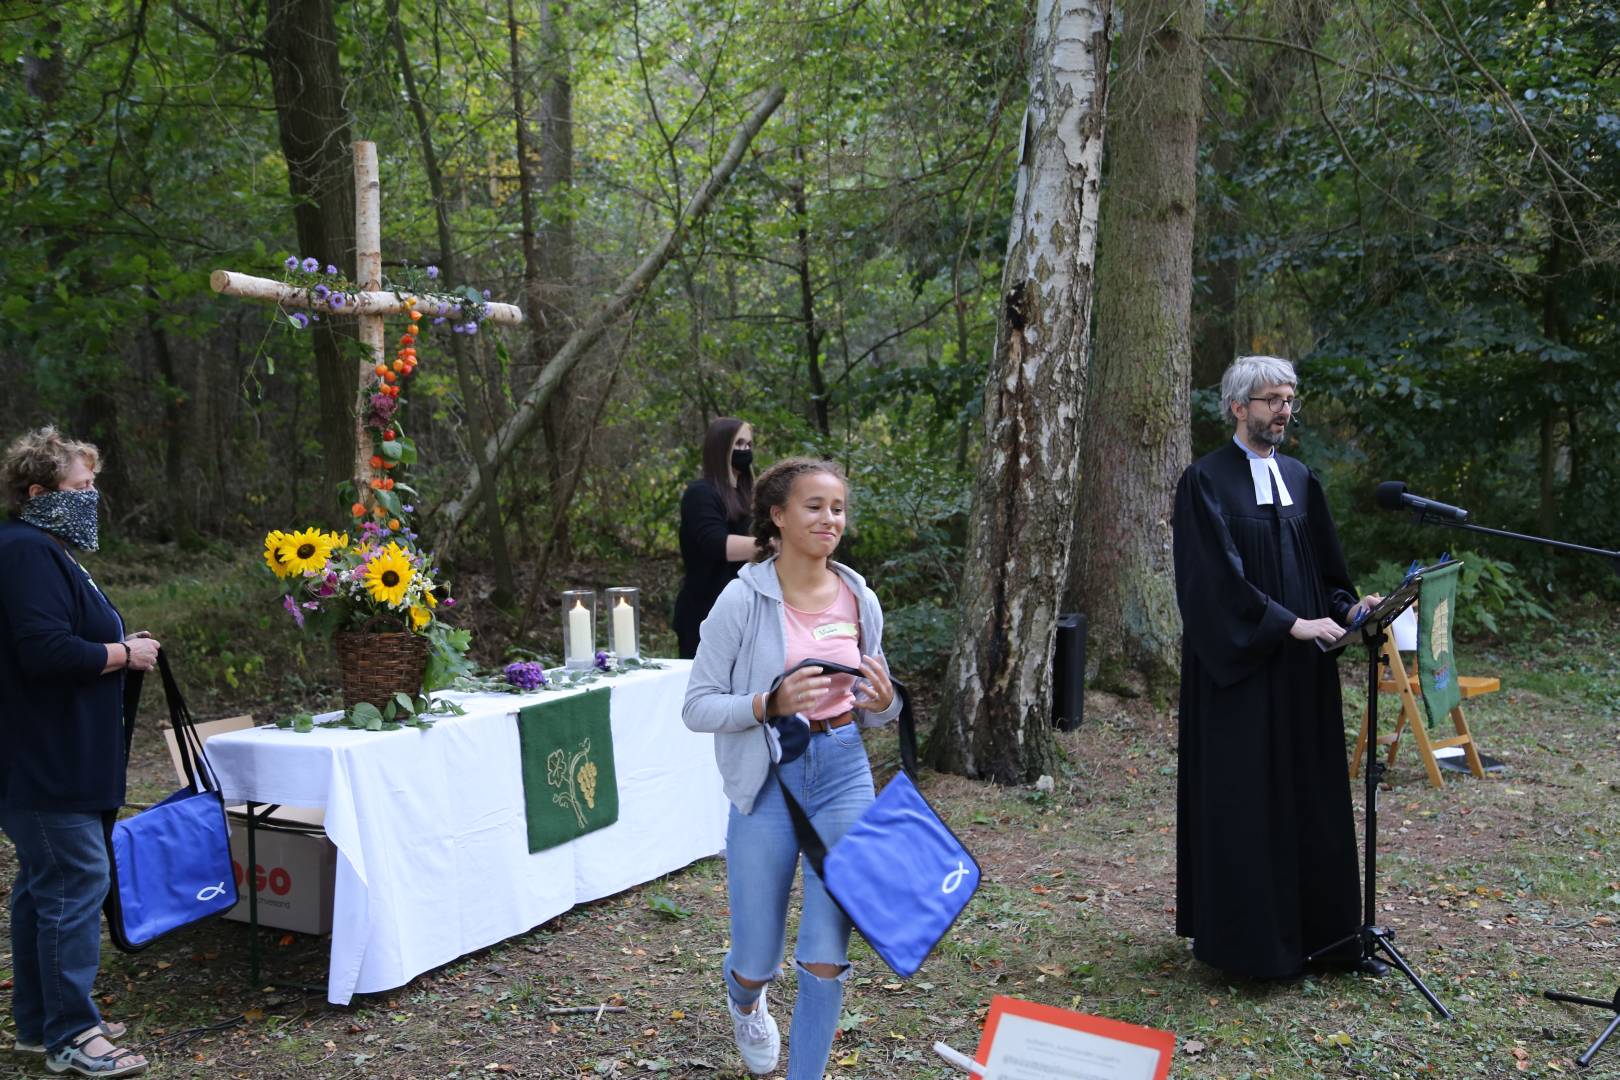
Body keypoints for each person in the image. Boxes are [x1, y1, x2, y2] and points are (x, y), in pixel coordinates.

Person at [683, 458, 902, 1079]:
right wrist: (767, 703)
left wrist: (886, 703)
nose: (829, 519)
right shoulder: (742, 600)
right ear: (777, 517)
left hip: (843, 773)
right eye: (813, 506)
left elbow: (879, 698)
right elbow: (696, 705)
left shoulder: (860, 596)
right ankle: (745, 999)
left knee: (826, 955)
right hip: (768, 777)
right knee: (757, 956)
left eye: (836, 508)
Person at [1171, 356, 1382, 980]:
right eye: (1270, 400)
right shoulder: (1204, 481)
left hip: (1303, 677)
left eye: (1289, 399)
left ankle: (1328, 940)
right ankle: (1253, 951)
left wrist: (1349, 608)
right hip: (1241, 679)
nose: (1283, 411)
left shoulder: (1299, 477)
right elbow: (1212, 586)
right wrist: (1289, 625)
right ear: (1238, 407)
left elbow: (1327, 572)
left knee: (1313, 798)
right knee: (1249, 803)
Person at [0, 427, 160, 1078]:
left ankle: (40, 1025)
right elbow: (44, 652)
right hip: (43, 760)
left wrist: (121, 645)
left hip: (59, 756)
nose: (91, 497)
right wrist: (124, 654)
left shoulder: (47, 550)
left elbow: (64, 636)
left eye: (93, 485)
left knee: (45, 891)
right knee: (75, 882)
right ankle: (73, 1035)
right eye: (79, 487)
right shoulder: (26, 553)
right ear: (38, 494)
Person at [673, 417, 756, 659]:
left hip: (744, 612)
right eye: (738, 444)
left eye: (749, 445)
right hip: (704, 611)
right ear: (721, 447)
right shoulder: (700, 493)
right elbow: (717, 544)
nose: (744, 450)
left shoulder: (749, 494)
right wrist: (775, 546)